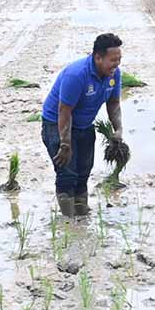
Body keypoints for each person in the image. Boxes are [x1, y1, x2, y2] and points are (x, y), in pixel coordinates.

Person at [41, 32, 123, 218]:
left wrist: (118, 129)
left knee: (83, 172)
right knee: (67, 173)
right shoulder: (76, 75)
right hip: (57, 123)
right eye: (113, 60)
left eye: (119, 59)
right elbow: (64, 112)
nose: (116, 64)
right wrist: (65, 144)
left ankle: (81, 215)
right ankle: (68, 221)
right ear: (98, 57)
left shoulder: (113, 75)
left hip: (84, 125)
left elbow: (114, 103)